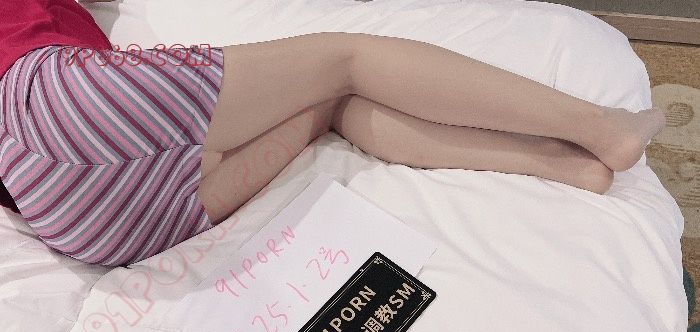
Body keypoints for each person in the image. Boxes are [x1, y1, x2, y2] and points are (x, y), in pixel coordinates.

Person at [0, 0, 666, 267]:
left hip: (79, 222)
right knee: (347, 60)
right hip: (63, 100)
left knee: (329, 107)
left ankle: (559, 164)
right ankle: (600, 129)